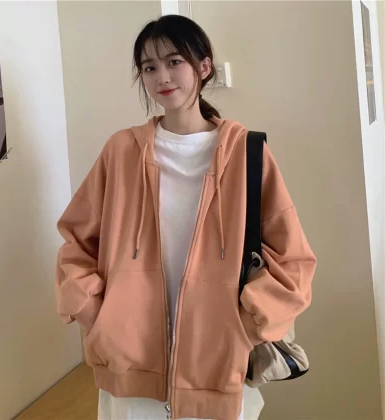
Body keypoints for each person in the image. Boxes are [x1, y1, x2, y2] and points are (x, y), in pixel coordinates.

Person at [54, 14, 317, 420]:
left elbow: (293, 261)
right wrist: (97, 315)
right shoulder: (121, 151)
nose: (162, 76)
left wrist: (244, 328)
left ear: (204, 66)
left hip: (218, 370)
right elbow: (76, 243)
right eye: (149, 67)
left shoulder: (247, 153)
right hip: (129, 368)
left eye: (174, 61)